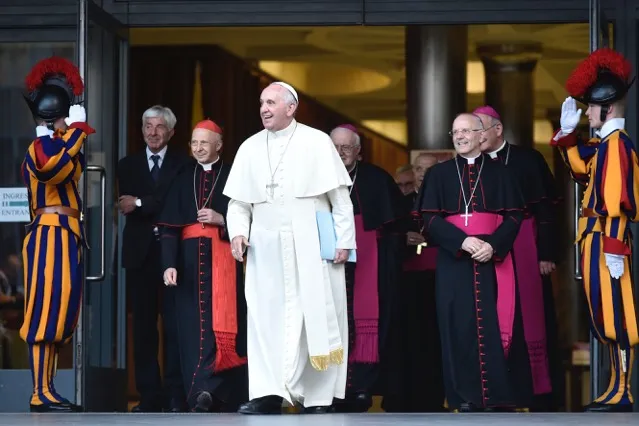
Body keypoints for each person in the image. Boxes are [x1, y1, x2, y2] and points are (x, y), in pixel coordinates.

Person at [223, 81, 356, 414]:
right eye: (261, 103)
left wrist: (344, 242)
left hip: (312, 243)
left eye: (271, 102)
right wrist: (238, 233)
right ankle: (268, 393)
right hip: (265, 247)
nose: (264, 109)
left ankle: (317, 397)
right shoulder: (250, 147)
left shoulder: (316, 141)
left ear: (290, 107)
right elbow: (239, 203)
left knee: (315, 316)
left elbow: (340, 200)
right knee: (266, 320)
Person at [416, 113, 531, 412]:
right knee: (456, 325)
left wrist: (493, 245)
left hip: (493, 261)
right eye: (455, 131)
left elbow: (515, 215)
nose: (460, 136)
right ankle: (463, 396)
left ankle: (498, 396)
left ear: (481, 135)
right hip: (454, 263)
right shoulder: (438, 175)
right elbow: (428, 218)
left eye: (466, 130)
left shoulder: (502, 174)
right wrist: (462, 241)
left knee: (496, 323)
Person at [550, 48, 639, 413]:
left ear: (608, 108)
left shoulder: (617, 146)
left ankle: (623, 391)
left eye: (591, 107)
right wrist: (568, 136)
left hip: (607, 240)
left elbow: (617, 201)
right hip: (596, 239)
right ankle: (614, 389)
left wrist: (615, 247)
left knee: (616, 314)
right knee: (603, 316)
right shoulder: (605, 145)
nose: (587, 112)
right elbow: (578, 171)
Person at [474, 105, 562, 411]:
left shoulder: (528, 160)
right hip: (487, 249)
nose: (475, 135)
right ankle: (497, 392)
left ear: (497, 129)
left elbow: (547, 211)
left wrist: (546, 253)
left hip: (525, 246)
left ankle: (535, 393)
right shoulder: (472, 165)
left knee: (528, 316)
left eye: (479, 128)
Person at [20, 56, 95, 412]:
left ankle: (47, 388)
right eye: (65, 117)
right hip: (49, 232)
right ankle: (38, 391)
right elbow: (56, 171)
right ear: (55, 118)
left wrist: (74, 134)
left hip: (65, 232)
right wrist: (78, 132)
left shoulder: (57, 143)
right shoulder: (41, 148)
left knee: (61, 310)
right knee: (45, 309)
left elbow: (71, 165)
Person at [158, 119, 248, 413]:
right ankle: (198, 392)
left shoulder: (234, 175)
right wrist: (168, 265)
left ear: (218, 146)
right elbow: (170, 228)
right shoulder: (183, 176)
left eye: (204, 143)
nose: (197, 148)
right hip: (187, 263)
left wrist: (223, 219)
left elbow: (250, 216)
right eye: (194, 143)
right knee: (190, 328)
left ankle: (219, 392)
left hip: (225, 260)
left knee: (222, 327)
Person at [117, 105, 190, 412]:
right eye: (148, 126)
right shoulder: (127, 165)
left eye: (159, 127)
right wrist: (144, 204)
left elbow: (175, 204)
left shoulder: (183, 165)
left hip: (172, 255)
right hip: (140, 255)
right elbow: (126, 205)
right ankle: (149, 396)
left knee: (174, 327)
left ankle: (175, 394)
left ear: (171, 132)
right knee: (144, 329)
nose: (153, 132)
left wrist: (140, 202)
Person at [328, 124, 405, 412]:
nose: (340, 153)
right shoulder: (317, 179)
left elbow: (396, 224)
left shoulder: (376, 179)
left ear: (358, 152)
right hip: (328, 264)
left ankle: (362, 388)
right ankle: (330, 389)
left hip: (370, 265)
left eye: (346, 147)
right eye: (335, 147)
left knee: (368, 324)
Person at [386, 152, 445, 413]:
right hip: (407, 281)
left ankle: (433, 399)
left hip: (439, 280)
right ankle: (402, 398)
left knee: (435, 341)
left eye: (428, 169)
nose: (422, 174)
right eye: (419, 169)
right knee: (406, 341)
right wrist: (403, 238)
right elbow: (389, 234)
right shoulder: (401, 203)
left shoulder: (447, 200)